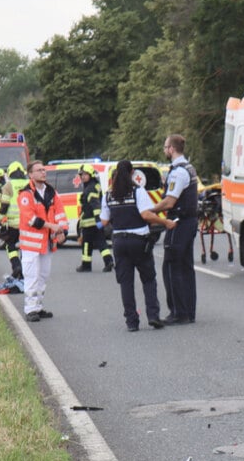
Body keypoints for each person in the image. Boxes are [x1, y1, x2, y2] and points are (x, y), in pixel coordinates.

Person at [101, 160, 176, 331]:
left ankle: (132, 322)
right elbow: (146, 214)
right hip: (138, 240)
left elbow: (104, 220)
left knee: (126, 283)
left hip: (119, 241)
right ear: (132, 172)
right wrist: (165, 222)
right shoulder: (137, 191)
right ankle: (153, 316)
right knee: (148, 279)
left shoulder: (109, 195)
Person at [151, 134, 199, 325]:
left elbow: (170, 201)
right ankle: (188, 311)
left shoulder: (178, 172)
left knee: (171, 266)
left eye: (165, 147)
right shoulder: (189, 167)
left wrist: (149, 211)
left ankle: (178, 312)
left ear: (171, 149)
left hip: (179, 222)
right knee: (186, 267)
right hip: (189, 221)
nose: (164, 150)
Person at [17, 160, 67, 322]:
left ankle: (38, 306)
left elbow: (60, 213)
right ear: (30, 175)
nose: (43, 172)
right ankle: (30, 309)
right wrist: (52, 226)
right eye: (38, 170)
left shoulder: (52, 193)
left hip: (47, 243)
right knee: (31, 276)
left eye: (44, 170)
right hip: (31, 244)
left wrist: (62, 231)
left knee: (43, 276)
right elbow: (30, 219)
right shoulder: (26, 194)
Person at [75, 163, 114, 273]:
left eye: (85, 174)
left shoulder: (90, 188)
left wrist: (97, 219)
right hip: (95, 222)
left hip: (90, 223)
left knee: (86, 244)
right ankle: (108, 261)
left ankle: (86, 265)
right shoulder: (94, 185)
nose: (82, 176)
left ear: (91, 174)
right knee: (101, 242)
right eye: (81, 175)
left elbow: (95, 204)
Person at [0, 161, 27, 279]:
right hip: (28, 223)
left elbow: (4, 204)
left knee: (10, 246)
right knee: (26, 247)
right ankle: (25, 270)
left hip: (13, 224)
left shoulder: (8, 186)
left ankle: (16, 266)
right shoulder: (30, 183)